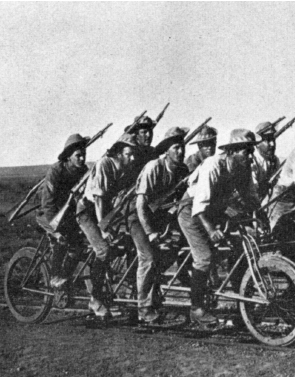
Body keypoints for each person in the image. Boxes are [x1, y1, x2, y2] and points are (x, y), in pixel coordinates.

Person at [177, 129, 259, 329]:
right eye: (245, 152)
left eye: (251, 151)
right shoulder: (213, 165)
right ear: (232, 152)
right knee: (204, 257)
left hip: (215, 209)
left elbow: (251, 199)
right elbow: (199, 207)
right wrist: (212, 230)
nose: (250, 156)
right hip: (192, 211)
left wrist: (260, 222)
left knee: (241, 249)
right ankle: (196, 309)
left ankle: (243, 307)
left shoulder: (243, 167)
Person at [130, 127, 190, 323]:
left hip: (160, 217)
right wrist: (150, 232)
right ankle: (144, 308)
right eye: (175, 148)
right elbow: (140, 204)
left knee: (172, 250)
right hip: (137, 217)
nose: (180, 152)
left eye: (182, 147)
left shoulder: (182, 170)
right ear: (167, 150)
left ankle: (153, 295)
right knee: (148, 257)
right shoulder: (154, 167)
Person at [76, 133, 137, 317]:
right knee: (103, 249)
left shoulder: (125, 168)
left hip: (105, 213)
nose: (132, 158)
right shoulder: (105, 164)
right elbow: (99, 199)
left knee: (125, 243)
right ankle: (95, 300)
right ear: (118, 153)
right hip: (88, 212)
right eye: (128, 154)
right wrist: (103, 229)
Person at [36, 134, 89, 288]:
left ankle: (65, 278)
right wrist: (56, 228)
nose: (82, 159)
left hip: (67, 216)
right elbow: (47, 203)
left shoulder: (83, 171)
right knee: (62, 239)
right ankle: (55, 276)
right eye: (78, 156)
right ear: (68, 157)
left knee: (79, 247)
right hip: (47, 214)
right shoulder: (56, 171)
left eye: (83, 155)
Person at [122, 116, 158, 186]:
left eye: (150, 131)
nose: (148, 135)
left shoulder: (153, 152)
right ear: (136, 135)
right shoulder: (130, 152)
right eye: (144, 132)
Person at [251, 122, 281, 202]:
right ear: (257, 144)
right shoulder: (251, 160)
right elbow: (252, 191)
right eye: (267, 140)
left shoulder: (274, 160)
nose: (272, 144)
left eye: (273, 139)